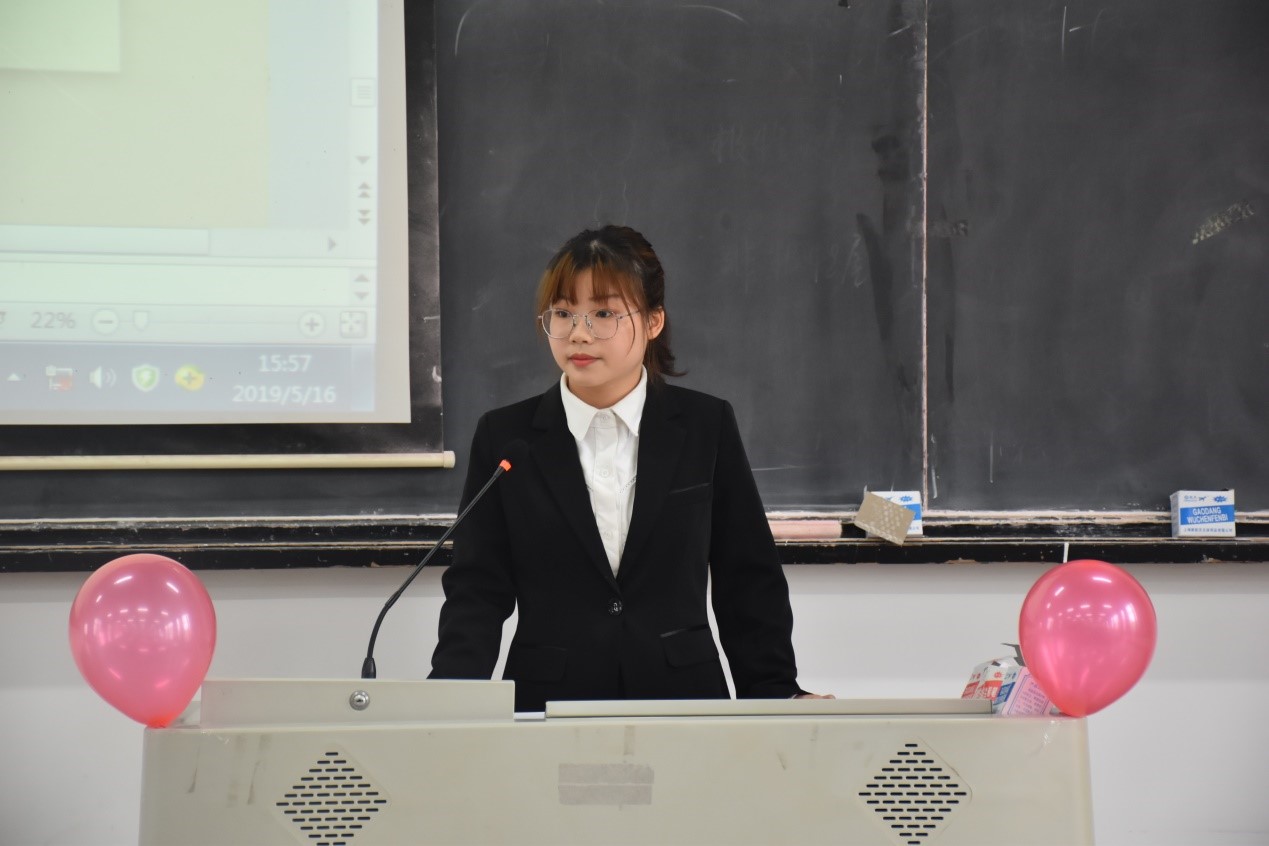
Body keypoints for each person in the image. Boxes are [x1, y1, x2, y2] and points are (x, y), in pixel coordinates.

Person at [429, 225, 827, 711]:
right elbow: (478, 588)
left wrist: (774, 690)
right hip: (548, 704)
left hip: (683, 700)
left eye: (603, 313)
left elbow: (745, 576)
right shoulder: (506, 436)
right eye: (563, 313)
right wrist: (450, 698)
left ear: (654, 321)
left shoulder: (705, 425)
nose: (578, 333)